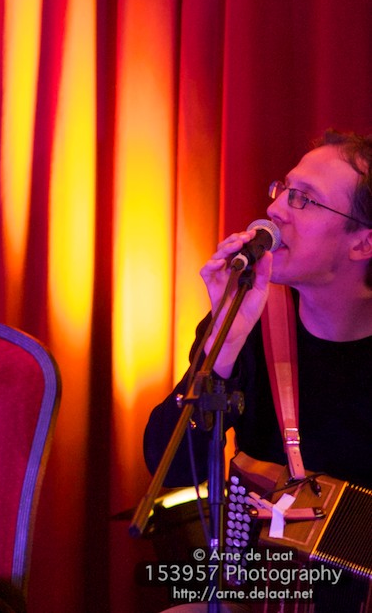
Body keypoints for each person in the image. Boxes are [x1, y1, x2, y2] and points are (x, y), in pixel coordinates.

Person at [144, 130, 372, 613]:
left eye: (304, 199)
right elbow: (170, 466)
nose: (275, 209)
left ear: (363, 243)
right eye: (284, 190)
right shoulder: (252, 321)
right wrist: (223, 347)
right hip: (257, 598)